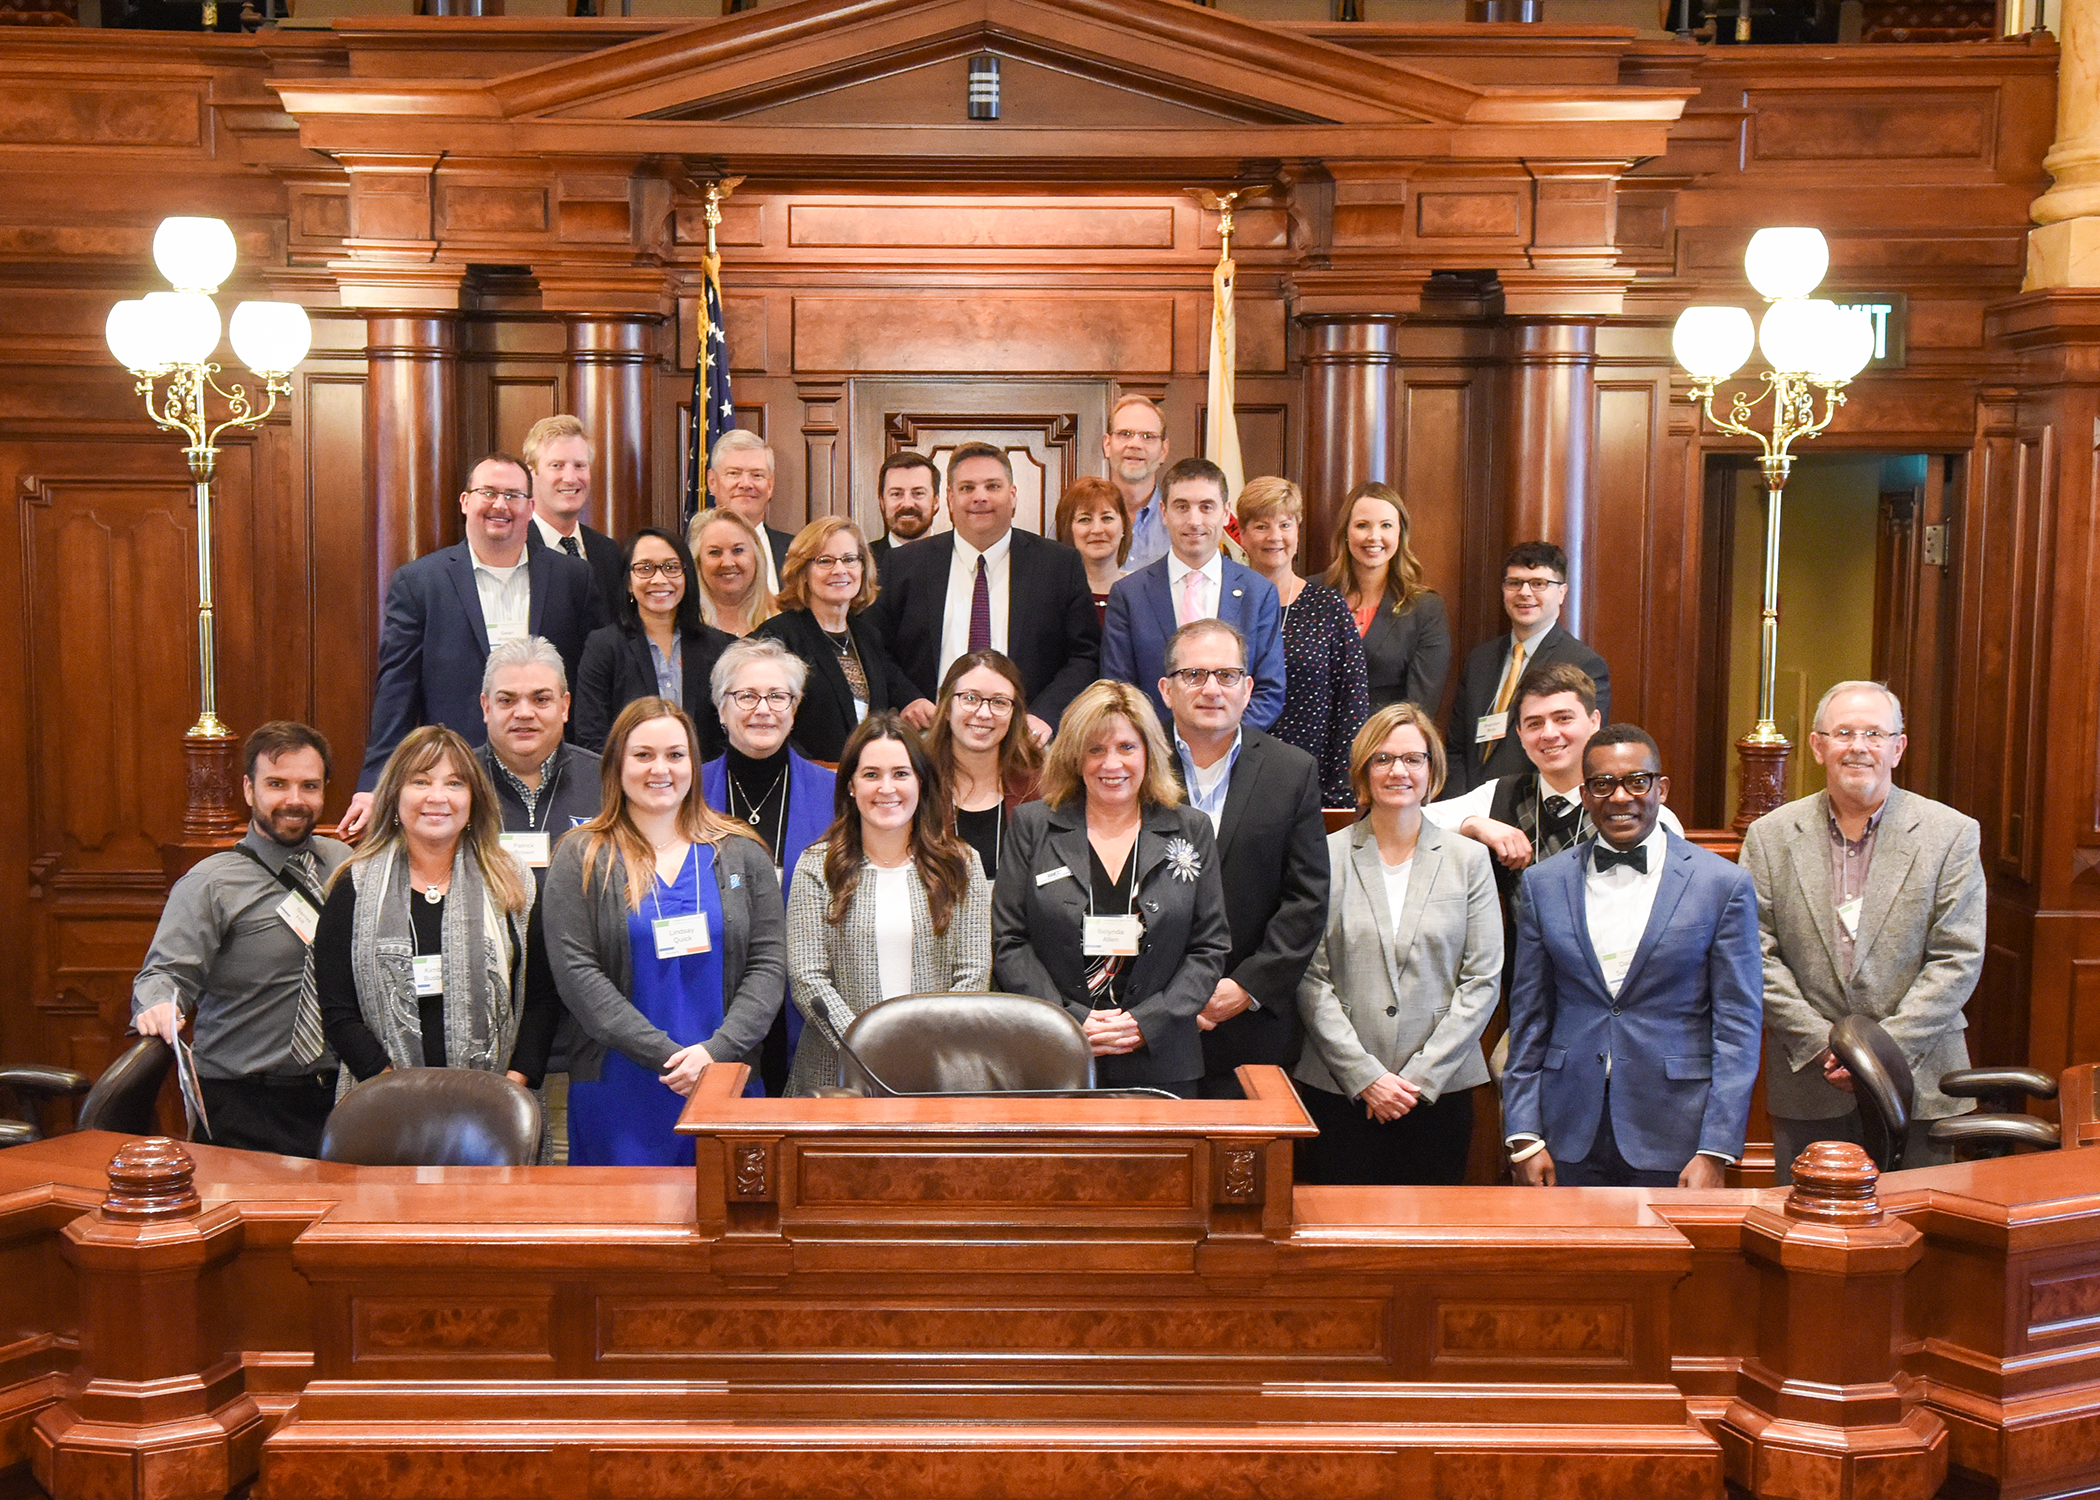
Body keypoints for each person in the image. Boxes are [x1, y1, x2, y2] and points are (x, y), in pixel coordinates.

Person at [1741, 680, 1986, 1181]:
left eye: (1874, 733)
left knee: (1920, 1232)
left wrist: (1877, 1055)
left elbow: (1957, 958)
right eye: (1844, 732)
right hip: (1811, 1077)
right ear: (1817, 745)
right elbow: (1753, 953)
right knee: (1809, 1233)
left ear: (1898, 747)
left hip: (1919, 1078)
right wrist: (1825, 1045)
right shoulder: (1769, 836)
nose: (1858, 747)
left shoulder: (1951, 833)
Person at [1502, 725, 1762, 1188]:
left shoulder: (1721, 885)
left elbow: (1737, 1026)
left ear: (1661, 789)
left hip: (1676, 1134)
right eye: (1603, 784)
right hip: (1565, 1132)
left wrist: (1716, 1149)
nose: (1619, 797)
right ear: (1585, 794)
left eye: (1636, 781)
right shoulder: (1545, 883)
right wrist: (1524, 1133)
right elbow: (1529, 1017)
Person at [542, 699, 787, 1162]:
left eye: (675, 755)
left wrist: (715, 1053)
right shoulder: (581, 855)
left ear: (693, 764)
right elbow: (578, 976)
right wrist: (671, 1059)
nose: (661, 769)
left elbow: (768, 965)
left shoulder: (741, 852)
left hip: (725, 1083)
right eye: (643, 755)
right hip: (619, 1089)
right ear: (616, 763)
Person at [1293, 704, 1501, 1185]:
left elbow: (1482, 980)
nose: (1398, 771)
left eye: (1413, 758)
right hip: (1340, 1090)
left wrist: (1420, 1078)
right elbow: (1310, 977)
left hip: (1439, 1091)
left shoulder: (1469, 860)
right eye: (1383, 759)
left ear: (1432, 771)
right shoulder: (1327, 856)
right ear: (1364, 771)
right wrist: (1365, 1076)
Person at [992, 681, 1232, 1096]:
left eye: (1126, 747)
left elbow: (1210, 946)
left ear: (1149, 752)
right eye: (1095, 749)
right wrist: (1068, 1020)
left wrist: (1148, 1021)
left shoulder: (1191, 828)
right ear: (1074, 756)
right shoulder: (1033, 825)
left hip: (1162, 1056)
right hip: (1054, 1054)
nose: (1111, 764)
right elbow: (1010, 940)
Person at [343, 452, 601, 838]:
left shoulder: (572, 577)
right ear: (465, 502)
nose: (500, 505)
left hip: (552, 781)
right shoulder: (419, 583)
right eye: (488, 493)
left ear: (531, 507)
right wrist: (374, 784)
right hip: (452, 780)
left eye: (513, 495)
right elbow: (396, 691)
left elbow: (588, 684)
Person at [129, 722, 349, 1157]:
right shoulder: (210, 883)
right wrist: (158, 1004)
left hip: (337, 1101)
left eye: (309, 785)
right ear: (249, 790)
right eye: (277, 784)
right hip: (242, 1104)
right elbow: (165, 973)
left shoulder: (345, 865)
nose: (294, 800)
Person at [316, 725, 555, 1093]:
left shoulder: (512, 881)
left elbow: (541, 998)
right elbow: (338, 1012)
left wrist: (510, 1088)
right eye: (421, 781)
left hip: (492, 1107)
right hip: (383, 1107)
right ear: (394, 795)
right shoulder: (354, 885)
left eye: (456, 783)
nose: (438, 796)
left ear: (474, 799)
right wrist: (398, 1092)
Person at [1159, 621, 1328, 1100]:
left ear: (1249, 687)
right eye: (1194, 674)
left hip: (1253, 1025)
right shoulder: (1134, 766)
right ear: (1167, 690)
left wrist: (1246, 988)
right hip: (1149, 1022)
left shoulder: (1291, 771)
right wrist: (1162, 1000)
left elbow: (1306, 899)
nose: (1212, 688)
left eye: (1228, 675)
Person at [784, 714, 992, 1095]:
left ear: (921, 782)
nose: (886, 788)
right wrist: (871, 1050)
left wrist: (922, 1054)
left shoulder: (961, 864)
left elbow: (973, 974)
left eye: (900, 773)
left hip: (937, 1074)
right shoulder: (817, 866)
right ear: (849, 784)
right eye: (871, 775)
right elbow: (808, 980)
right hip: (835, 1078)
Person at [867, 441, 1100, 741]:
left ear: (1013, 495)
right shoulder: (903, 564)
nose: (980, 497)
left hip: (1026, 741)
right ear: (949, 499)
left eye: (992, 486)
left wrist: (1045, 714)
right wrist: (908, 698)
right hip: (929, 738)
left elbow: (1084, 656)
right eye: (967, 488)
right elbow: (876, 650)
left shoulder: (1058, 564)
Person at [701, 636, 841, 1096]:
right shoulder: (687, 792)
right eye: (746, 696)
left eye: (778, 696)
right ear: (721, 709)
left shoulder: (837, 793)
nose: (764, 709)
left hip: (812, 999)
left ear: (794, 708)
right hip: (718, 995)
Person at [1426, 663, 1681, 910]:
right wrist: (1472, 824)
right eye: (1534, 723)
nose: (1549, 734)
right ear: (1520, 735)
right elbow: (1406, 822)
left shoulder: (1634, 805)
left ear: (1594, 721)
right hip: (1524, 954)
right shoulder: (1500, 794)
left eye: (1563, 719)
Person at [1101, 456, 1286, 732]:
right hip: (1155, 759)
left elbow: (1268, 690)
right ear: (1163, 512)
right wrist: (1164, 748)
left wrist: (1221, 743)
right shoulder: (1129, 594)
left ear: (1225, 513)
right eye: (1182, 507)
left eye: (1206, 507)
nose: (1194, 520)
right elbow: (1120, 691)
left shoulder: (1259, 593)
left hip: (1234, 759)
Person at [1238, 475, 1369, 809]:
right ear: (1241, 533)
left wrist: (1339, 793)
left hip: (1311, 785)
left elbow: (1351, 705)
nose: (1275, 537)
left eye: (1285, 524)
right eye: (1261, 526)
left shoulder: (1328, 606)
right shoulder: (1226, 602)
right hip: (1234, 780)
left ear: (1297, 530)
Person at [1445, 541, 1610, 797]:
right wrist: (1463, 810)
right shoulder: (1479, 660)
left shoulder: (1583, 663)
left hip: (1533, 813)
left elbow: (1581, 751)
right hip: (1470, 814)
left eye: (1538, 583)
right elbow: (1456, 747)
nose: (1524, 592)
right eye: (1514, 582)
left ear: (1562, 592)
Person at [753, 517, 915, 763]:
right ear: (803, 571)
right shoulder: (776, 638)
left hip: (864, 782)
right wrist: (818, 769)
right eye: (825, 561)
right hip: (804, 783)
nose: (840, 570)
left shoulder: (867, 636)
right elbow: (761, 722)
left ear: (863, 567)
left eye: (850, 559)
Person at [574, 527, 731, 756]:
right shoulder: (604, 646)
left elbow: (725, 733)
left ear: (687, 577)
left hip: (702, 784)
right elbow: (591, 736)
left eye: (671, 567)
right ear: (628, 582)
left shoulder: (718, 647)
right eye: (645, 568)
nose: (659, 579)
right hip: (627, 782)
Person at [475, 637, 604, 882]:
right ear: (486, 707)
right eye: (507, 700)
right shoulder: (457, 780)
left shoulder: (604, 779)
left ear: (565, 706)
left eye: (541, 699)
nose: (524, 713)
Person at [1322, 481, 1449, 718]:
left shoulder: (1425, 608)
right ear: (1345, 533)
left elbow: (1420, 707)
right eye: (1362, 525)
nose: (1374, 536)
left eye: (1386, 526)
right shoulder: (1314, 594)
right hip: (1312, 745)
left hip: (1386, 746)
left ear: (1400, 534)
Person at [925, 649, 1043, 883]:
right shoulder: (918, 784)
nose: (984, 713)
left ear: (1014, 714)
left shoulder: (1038, 789)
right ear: (947, 707)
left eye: (999, 702)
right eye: (970, 698)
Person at [523, 414, 625, 615]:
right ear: (531, 473)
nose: (570, 478)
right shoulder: (513, 549)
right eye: (557, 466)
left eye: (579, 465)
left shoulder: (609, 552)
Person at [704, 429, 793, 592]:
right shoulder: (688, 553)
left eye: (757, 475)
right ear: (712, 482)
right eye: (733, 473)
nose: (745, 484)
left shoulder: (798, 552)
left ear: (770, 485)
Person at [1103, 392, 1171, 572]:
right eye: (1125, 434)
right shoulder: (1076, 516)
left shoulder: (1181, 521)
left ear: (1163, 450)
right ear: (1107, 445)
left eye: (1148, 436)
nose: (1135, 444)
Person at [687, 506, 777, 639]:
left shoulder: (785, 620)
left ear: (757, 557)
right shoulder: (684, 624)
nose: (728, 563)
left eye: (738, 550)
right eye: (715, 552)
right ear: (698, 562)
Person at [1053, 474, 1132, 626]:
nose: (1097, 529)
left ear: (1123, 526)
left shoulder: (1143, 592)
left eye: (1107, 518)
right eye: (1085, 519)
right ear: (1068, 529)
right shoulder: (1052, 595)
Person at [868, 449, 941, 572]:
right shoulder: (862, 562)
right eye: (896, 494)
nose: (907, 504)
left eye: (918, 493)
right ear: (882, 502)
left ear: (936, 501)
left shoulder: (956, 561)